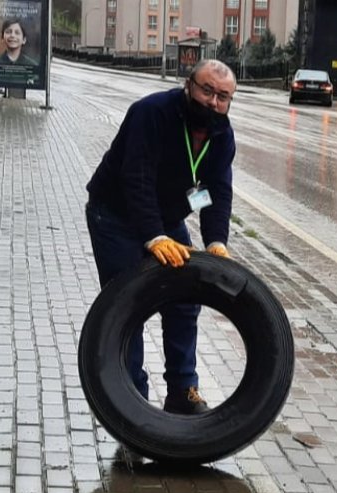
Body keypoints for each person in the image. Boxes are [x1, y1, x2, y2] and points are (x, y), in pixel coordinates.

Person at [85, 59, 237, 415]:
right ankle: (132, 402)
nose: (213, 102)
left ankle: (183, 392)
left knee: (185, 298)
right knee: (130, 304)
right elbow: (136, 178)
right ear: (188, 85)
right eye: (207, 90)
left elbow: (218, 191)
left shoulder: (222, 135)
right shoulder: (151, 113)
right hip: (115, 214)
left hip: (166, 218)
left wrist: (216, 241)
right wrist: (153, 237)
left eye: (223, 97)